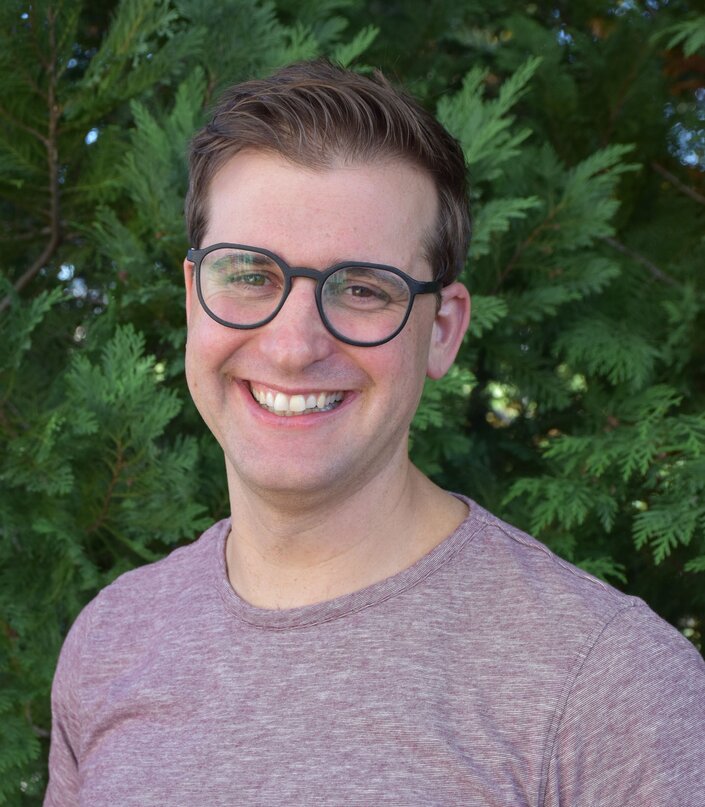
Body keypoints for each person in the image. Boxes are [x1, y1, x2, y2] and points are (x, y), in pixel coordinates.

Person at [45, 60, 705, 806]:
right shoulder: (113, 638)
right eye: (251, 275)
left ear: (442, 330)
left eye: (361, 288)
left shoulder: (607, 684)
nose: (293, 346)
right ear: (194, 298)